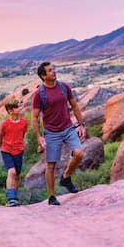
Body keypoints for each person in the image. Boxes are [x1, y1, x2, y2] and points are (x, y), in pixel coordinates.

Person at [31, 61, 86, 206]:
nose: (54, 71)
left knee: (79, 153)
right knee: (51, 165)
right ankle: (51, 197)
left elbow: (74, 105)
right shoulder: (39, 94)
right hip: (51, 133)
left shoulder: (64, 86)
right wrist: (38, 137)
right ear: (43, 76)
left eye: (53, 69)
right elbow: (34, 117)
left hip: (68, 128)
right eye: (50, 70)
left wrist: (81, 124)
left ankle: (66, 177)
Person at [0, 97, 28, 207]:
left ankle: (14, 197)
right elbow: (0, 136)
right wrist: (2, 146)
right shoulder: (5, 124)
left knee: (17, 175)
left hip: (19, 151)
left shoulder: (24, 122)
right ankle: (10, 198)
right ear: (10, 111)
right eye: (18, 107)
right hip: (6, 150)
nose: (21, 108)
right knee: (12, 172)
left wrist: (19, 145)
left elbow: (22, 134)